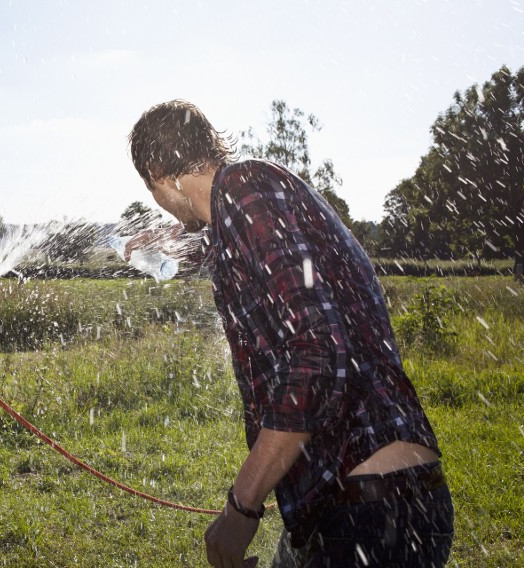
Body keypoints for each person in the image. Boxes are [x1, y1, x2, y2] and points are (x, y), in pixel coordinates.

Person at [127, 100, 454, 567]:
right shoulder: (244, 202)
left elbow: (318, 349)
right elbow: (217, 254)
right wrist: (148, 245)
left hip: (369, 512)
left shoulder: (244, 189)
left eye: (150, 189)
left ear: (158, 171)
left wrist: (242, 504)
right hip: (367, 504)